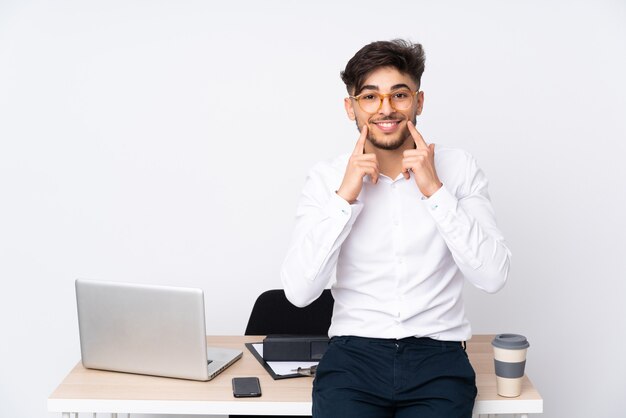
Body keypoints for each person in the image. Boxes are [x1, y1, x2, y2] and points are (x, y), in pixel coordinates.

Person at [280, 39, 511, 418]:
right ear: (350, 107)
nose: (385, 109)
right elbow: (300, 292)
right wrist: (345, 198)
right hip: (352, 360)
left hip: (438, 359)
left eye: (399, 95)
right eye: (370, 97)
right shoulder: (327, 179)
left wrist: (434, 191)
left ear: (418, 102)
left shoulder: (458, 169)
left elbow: (492, 276)